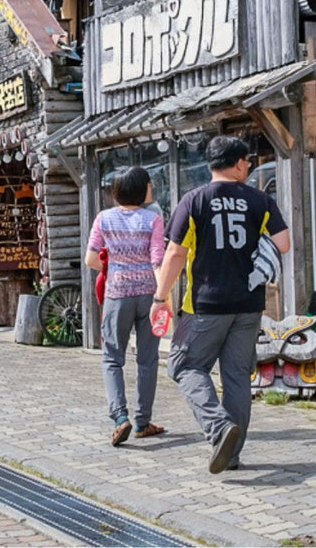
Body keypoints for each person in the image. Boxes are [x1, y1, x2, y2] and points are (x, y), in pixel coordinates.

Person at [151, 136, 290, 474]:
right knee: (238, 377)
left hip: (206, 305)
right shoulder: (260, 200)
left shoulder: (194, 200)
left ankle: (218, 428)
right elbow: (283, 243)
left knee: (184, 367)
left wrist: (160, 298)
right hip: (249, 303)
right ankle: (232, 454)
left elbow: (175, 253)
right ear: (240, 163)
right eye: (248, 162)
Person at [86, 165, 166, 447]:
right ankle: (143, 421)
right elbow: (158, 259)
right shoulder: (153, 219)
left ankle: (120, 418)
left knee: (112, 358)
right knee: (147, 360)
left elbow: (91, 259)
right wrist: (162, 297)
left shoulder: (104, 219)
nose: (151, 189)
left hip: (117, 294)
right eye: (149, 184)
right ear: (142, 189)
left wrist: (116, 267)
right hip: (148, 294)